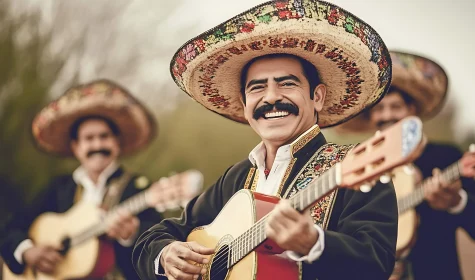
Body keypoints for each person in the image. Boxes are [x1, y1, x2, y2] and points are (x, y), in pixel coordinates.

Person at [132, 1, 400, 279]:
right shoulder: (235, 178)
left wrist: (315, 244)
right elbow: (157, 236)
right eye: (257, 87)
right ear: (245, 104)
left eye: (287, 83)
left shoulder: (354, 164)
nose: (271, 97)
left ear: (316, 97)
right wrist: (165, 254)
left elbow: (376, 263)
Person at [338, 51, 475, 280]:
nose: (387, 115)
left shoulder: (444, 158)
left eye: (395, 106)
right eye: (379, 109)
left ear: (412, 111)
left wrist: (457, 202)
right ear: (371, 118)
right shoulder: (359, 168)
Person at [1, 79, 164, 279]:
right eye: (88, 138)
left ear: (117, 143)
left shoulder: (139, 188)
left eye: (104, 136)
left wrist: (132, 234)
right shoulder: (59, 187)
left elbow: (160, 242)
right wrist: (27, 251)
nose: (97, 144)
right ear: (76, 147)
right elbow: (12, 226)